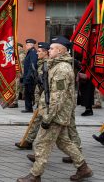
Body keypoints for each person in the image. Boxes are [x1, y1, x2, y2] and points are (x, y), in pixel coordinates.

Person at [17, 36, 93, 182]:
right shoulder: (56, 65)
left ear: (60, 51)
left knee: (41, 143)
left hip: (56, 114)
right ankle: (83, 167)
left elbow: (57, 97)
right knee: (63, 141)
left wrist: (48, 117)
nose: (49, 50)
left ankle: (35, 175)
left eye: (51, 48)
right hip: (57, 112)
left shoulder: (62, 69)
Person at [15, 42, 49, 149]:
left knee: (61, 128)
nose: (37, 53)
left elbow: (47, 84)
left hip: (47, 98)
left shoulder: (48, 64)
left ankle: (75, 153)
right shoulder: (41, 63)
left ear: (45, 52)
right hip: (41, 96)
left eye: (39, 51)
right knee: (36, 120)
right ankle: (28, 141)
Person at [22, 39, 38, 113]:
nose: (26, 46)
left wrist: (28, 77)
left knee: (29, 92)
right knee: (27, 92)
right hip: (27, 76)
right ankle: (28, 107)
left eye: (27, 45)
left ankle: (29, 108)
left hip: (30, 77)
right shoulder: (29, 52)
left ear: (31, 45)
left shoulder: (33, 52)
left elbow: (32, 65)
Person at [8, 42, 26, 108]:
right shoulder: (18, 54)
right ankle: (13, 101)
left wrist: (21, 75)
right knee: (16, 87)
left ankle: (15, 102)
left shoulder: (21, 55)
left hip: (18, 74)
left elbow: (21, 65)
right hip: (16, 74)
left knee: (16, 88)